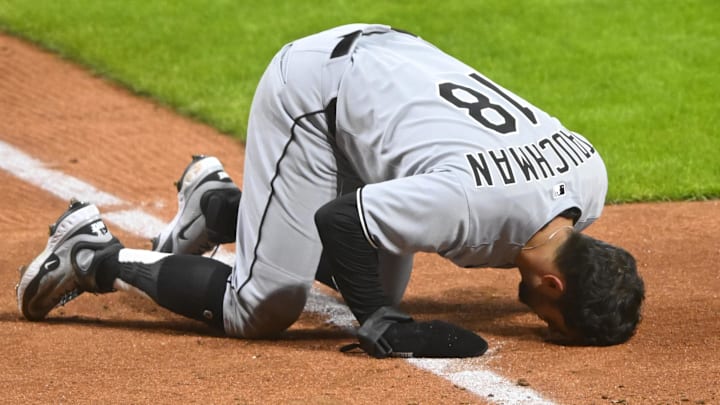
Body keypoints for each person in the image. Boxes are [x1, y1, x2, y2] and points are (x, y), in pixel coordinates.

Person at [17, 23, 645, 358]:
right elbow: (343, 219)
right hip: (315, 93)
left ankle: (217, 205)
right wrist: (380, 323)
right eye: (555, 325)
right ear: (554, 284)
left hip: (394, 66)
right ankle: (93, 256)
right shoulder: (468, 206)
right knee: (263, 307)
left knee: (376, 274)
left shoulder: (590, 180)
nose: (543, 327)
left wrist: (380, 299)